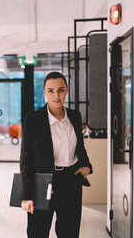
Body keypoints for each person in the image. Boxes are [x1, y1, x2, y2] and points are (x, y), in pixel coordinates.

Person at [20, 71, 93, 238]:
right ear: (45, 92)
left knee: (69, 232)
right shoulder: (33, 120)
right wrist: (26, 195)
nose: (56, 95)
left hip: (71, 180)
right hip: (43, 182)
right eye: (51, 90)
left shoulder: (75, 116)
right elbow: (26, 160)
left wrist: (87, 167)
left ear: (66, 90)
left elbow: (80, 147)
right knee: (37, 232)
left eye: (60, 90)